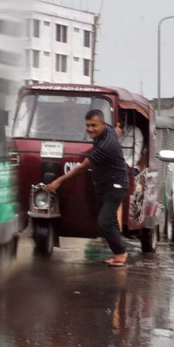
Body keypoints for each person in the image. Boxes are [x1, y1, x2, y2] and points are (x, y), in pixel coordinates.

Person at [45, 109, 129, 267]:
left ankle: (120, 254)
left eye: (94, 126)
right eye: (88, 125)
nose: (90, 129)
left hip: (115, 185)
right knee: (109, 221)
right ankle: (119, 253)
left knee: (104, 222)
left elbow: (82, 168)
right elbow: (116, 130)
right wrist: (119, 128)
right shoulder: (108, 130)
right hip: (104, 184)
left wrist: (58, 181)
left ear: (103, 124)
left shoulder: (105, 145)